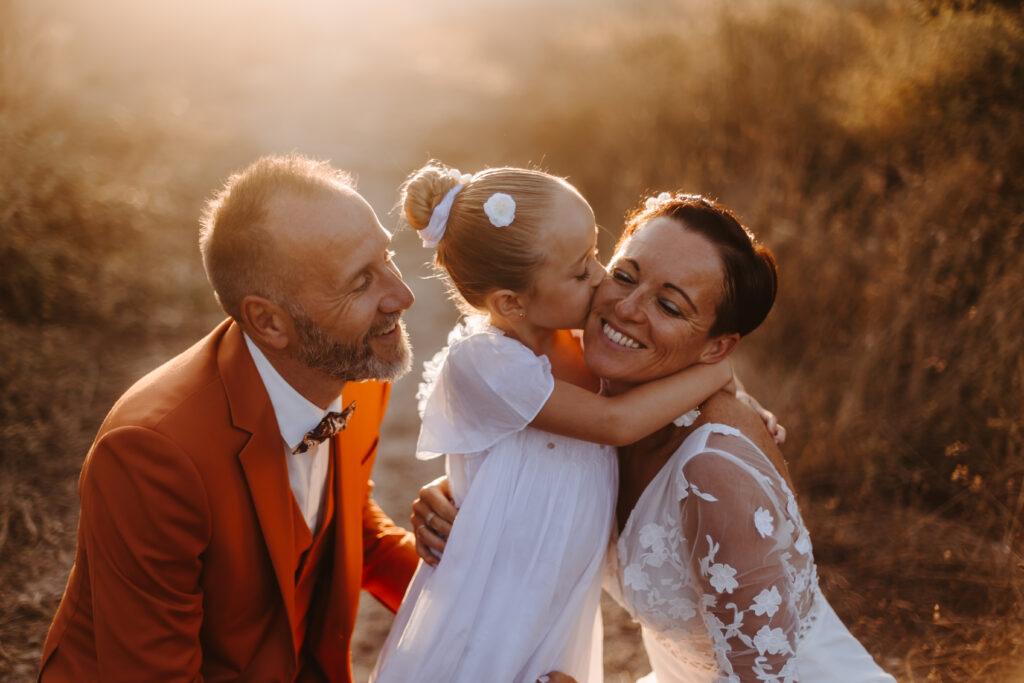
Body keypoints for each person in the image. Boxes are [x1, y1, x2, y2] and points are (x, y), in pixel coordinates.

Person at [416, 193, 894, 681]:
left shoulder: (714, 467)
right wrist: (469, 488)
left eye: (668, 305)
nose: (626, 307)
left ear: (718, 347)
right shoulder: (588, 385)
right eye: (624, 275)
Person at [38, 155, 420, 683]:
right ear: (268, 321)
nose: (402, 295)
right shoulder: (151, 455)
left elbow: (344, 525)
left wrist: (478, 599)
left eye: (388, 257)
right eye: (361, 282)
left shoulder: (349, 368)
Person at [371, 165, 735, 683]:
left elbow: (657, 383)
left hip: (553, 594)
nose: (601, 277)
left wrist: (736, 405)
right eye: (580, 270)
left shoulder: (585, 341)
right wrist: (718, 369)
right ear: (511, 303)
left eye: (595, 255)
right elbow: (615, 422)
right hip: (493, 602)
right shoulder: (486, 362)